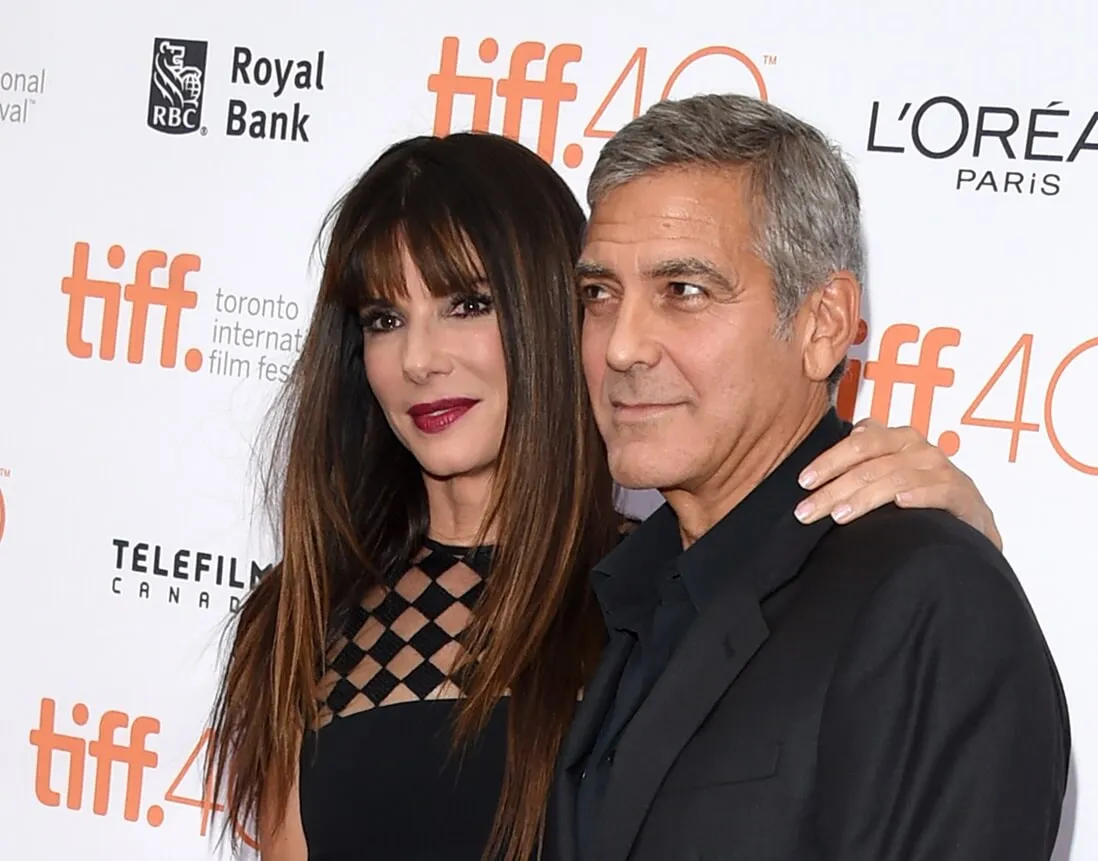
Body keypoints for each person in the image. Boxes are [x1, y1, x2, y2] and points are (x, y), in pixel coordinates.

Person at [204, 130, 1008, 861]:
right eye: (383, 317)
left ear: (554, 318)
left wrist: (962, 539)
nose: (419, 358)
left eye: (468, 305)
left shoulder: (659, 588)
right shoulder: (307, 609)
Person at [547, 94, 1070, 861]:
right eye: (599, 295)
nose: (621, 346)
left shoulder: (926, 593)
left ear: (823, 324)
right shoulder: (632, 586)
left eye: (683, 292)